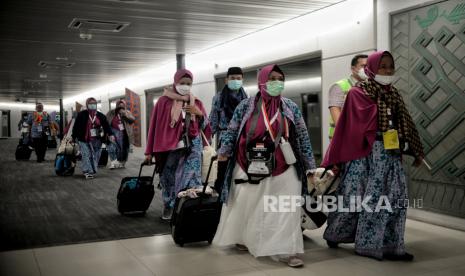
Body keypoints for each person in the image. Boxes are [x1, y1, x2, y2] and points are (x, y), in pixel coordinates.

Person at [321, 51, 424, 261]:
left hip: (390, 154)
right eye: (383, 66)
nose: (387, 71)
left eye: (390, 66)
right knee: (356, 199)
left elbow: (406, 122)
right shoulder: (357, 93)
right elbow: (354, 126)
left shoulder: (393, 93)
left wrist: (416, 148)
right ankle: (339, 234)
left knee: (395, 198)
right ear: (372, 69)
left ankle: (392, 246)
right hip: (364, 155)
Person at [212, 64, 317, 268]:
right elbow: (232, 130)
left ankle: (286, 250)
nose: (277, 82)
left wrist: (310, 165)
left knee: (285, 208)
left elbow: (303, 136)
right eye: (272, 78)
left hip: (285, 164)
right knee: (248, 205)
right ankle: (245, 237)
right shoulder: (246, 105)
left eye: (280, 78)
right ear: (262, 80)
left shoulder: (289, 106)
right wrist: (223, 153)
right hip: (249, 162)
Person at [145, 69, 212, 220]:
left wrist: (199, 113)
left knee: (191, 175)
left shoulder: (196, 102)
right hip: (170, 145)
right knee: (168, 175)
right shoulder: (163, 102)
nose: (186, 86)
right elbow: (154, 127)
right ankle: (169, 204)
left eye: (189, 83)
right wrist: (149, 151)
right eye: (182, 83)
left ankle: (184, 206)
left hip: (193, 144)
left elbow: (207, 126)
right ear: (175, 82)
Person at [209, 66, 248, 194]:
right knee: (223, 167)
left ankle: (237, 191)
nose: (235, 80)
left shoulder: (246, 99)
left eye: (238, 78)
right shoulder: (219, 98)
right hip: (225, 136)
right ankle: (220, 190)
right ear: (226, 80)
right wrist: (209, 137)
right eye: (232, 78)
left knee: (239, 166)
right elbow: (213, 119)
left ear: (242, 80)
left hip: (242, 136)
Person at [72, 97, 114, 179]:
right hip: (84, 138)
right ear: (87, 105)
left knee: (96, 155)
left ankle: (93, 169)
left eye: (94, 104)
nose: (92, 105)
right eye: (90, 104)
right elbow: (76, 127)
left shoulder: (100, 115)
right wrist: (73, 137)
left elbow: (106, 126)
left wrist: (111, 134)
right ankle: (87, 171)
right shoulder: (81, 114)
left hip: (97, 139)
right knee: (86, 154)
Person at [328, 54, 368, 140]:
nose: (366, 69)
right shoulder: (339, 86)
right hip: (343, 139)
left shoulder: (370, 87)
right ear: (353, 69)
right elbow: (338, 120)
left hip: (363, 139)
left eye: (368, 66)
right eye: (363, 66)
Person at [106, 99, 135, 169]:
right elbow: (106, 122)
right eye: (119, 106)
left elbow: (132, 120)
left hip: (124, 134)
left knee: (123, 149)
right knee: (112, 148)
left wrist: (124, 114)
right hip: (113, 132)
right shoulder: (111, 113)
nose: (121, 107)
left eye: (122, 106)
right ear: (116, 106)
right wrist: (108, 132)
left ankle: (122, 162)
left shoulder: (127, 112)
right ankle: (113, 162)